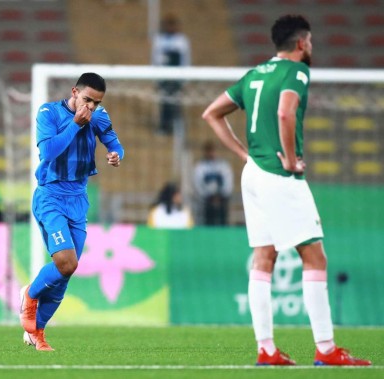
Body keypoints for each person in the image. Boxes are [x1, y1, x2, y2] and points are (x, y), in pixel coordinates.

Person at [202, 15, 370, 366]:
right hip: (280, 174)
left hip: (254, 173)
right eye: (309, 42)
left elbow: (212, 113)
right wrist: (291, 160)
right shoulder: (297, 72)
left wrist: (242, 154)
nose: (311, 47)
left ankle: (266, 349)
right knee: (314, 256)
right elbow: (285, 113)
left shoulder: (255, 74)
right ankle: (326, 349)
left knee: (264, 258)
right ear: (300, 44)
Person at [20, 73, 124, 351]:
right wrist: (75, 126)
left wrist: (115, 155)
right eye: (87, 99)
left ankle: (37, 333)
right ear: (74, 91)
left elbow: (115, 144)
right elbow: (49, 151)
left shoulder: (99, 116)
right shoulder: (48, 113)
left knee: (66, 272)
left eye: (96, 102)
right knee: (66, 262)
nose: (90, 107)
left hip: (78, 199)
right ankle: (29, 295)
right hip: (51, 195)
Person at [151, 14, 191, 135]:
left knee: (177, 103)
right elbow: (155, 58)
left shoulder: (182, 40)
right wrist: (156, 77)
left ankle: (178, 127)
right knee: (164, 103)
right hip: (164, 76)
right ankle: (164, 127)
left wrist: (185, 78)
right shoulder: (159, 39)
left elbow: (186, 59)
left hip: (177, 77)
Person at [193, 140, 233, 225]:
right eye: (209, 151)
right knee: (208, 222)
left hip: (222, 200)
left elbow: (228, 182)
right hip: (207, 201)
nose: (211, 153)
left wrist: (222, 195)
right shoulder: (200, 167)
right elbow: (198, 184)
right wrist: (207, 196)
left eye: (212, 151)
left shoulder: (223, 165)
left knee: (222, 222)